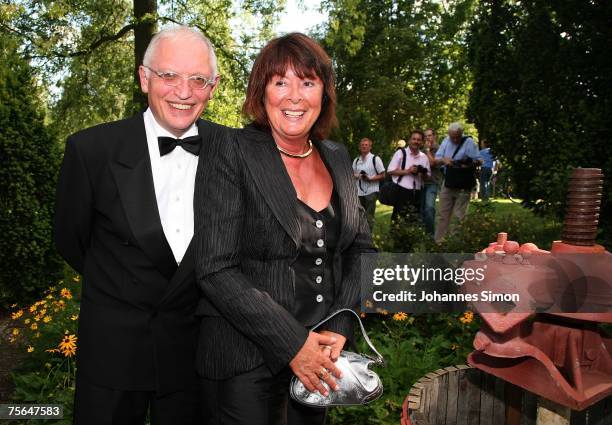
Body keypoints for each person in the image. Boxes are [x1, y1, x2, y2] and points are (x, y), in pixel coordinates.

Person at [194, 32, 374, 425]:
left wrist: (340, 327)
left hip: (321, 362)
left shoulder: (338, 157)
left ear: (324, 92)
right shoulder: (232, 150)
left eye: (308, 82)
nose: (294, 96)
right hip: (245, 359)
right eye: (281, 82)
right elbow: (215, 268)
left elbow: (362, 250)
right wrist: (294, 344)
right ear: (262, 92)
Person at [54, 26, 227, 425]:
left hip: (197, 355)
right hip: (113, 352)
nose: (183, 91)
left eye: (198, 79)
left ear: (212, 87)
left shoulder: (234, 151)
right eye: (169, 75)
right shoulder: (91, 150)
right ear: (144, 77)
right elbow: (71, 240)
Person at [434, 122, 482, 243]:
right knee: (443, 213)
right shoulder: (445, 141)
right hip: (449, 181)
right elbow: (436, 159)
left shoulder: (469, 142)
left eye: (457, 137)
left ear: (461, 133)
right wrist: (445, 160)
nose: (455, 139)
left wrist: (467, 163)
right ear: (449, 135)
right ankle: (438, 241)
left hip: (464, 183)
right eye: (452, 137)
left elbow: (479, 160)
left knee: (459, 215)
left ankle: (455, 243)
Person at [387, 130, 431, 226]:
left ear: (422, 142)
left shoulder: (424, 157)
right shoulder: (400, 153)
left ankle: (410, 240)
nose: (416, 141)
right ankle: (396, 240)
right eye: (414, 139)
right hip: (401, 191)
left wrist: (422, 173)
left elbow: (427, 178)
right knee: (397, 221)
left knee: (414, 221)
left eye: (419, 140)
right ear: (409, 140)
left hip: (417, 193)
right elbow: (390, 170)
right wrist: (408, 171)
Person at [352, 137, 385, 232]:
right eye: (362, 145)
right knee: (358, 216)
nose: (364, 146)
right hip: (358, 192)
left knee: (369, 216)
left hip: (371, 191)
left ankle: (368, 238)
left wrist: (370, 178)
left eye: (366, 145)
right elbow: (352, 174)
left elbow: (383, 175)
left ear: (370, 147)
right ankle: (359, 236)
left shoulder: (375, 159)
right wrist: (359, 175)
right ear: (359, 147)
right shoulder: (356, 160)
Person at [421, 128, 442, 236]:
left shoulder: (438, 149)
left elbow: (433, 163)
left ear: (434, 136)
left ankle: (430, 236)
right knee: (421, 210)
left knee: (429, 208)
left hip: (432, 183)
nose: (427, 138)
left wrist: (428, 151)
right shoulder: (422, 149)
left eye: (429, 135)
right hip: (420, 183)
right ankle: (422, 234)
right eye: (425, 136)